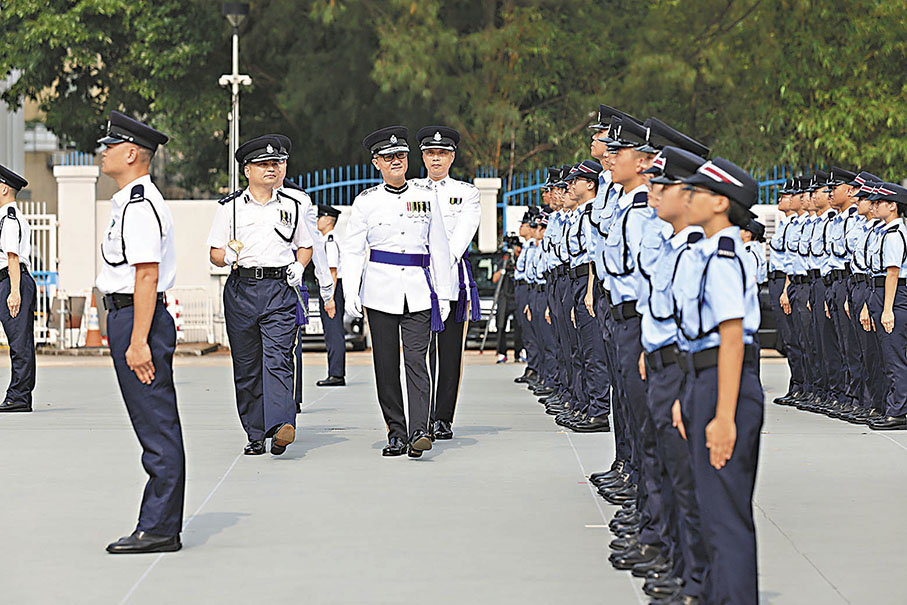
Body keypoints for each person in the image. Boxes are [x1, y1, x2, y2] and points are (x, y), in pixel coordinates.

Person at [673, 157, 764, 605]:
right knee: (709, 509)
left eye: (697, 192)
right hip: (704, 380)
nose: (687, 198)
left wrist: (723, 417)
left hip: (725, 386)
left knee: (725, 514)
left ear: (721, 203)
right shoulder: (708, 252)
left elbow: (732, 340)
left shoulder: (725, 258)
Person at [96, 111, 184, 554]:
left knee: (156, 426)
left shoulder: (139, 205)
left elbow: (146, 276)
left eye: (109, 146)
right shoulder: (127, 202)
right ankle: (160, 521)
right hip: (128, 317)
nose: (103, 152)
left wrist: (137, 341)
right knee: (152, 423)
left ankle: (160, 527)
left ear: (131, 153)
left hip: (139, 320)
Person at [342, 126, 451, 457]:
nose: (396, 162)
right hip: (380, 290)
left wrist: (444, 294)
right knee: (386, 365)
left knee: (417, 360)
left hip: (418, 289)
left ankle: (420, 428)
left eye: (401, 156)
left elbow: (440, 248)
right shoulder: (366, 202)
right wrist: (351, 292)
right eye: (388, 157)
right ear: (376, 163)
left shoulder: (425, 196)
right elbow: (351, 249)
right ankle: (396, 431)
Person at [208, 135, 317, 457]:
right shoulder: (229, 209)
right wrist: (226, 256)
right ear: (248, 170)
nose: (272, 169)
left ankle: (281, 425)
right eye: (264, 164)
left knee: (279, 358)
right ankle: (255, 432)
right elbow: (214, 251)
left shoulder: (293, 206)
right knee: (247, 365)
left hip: (279, 289)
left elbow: (305, 244)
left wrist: (300, 266)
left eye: (276, 163)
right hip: (242, 289)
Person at [413, 125, 481, 440]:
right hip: (415, 280)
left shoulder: (466, 193)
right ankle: (421, 414)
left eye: (442, 153)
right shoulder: (411, 189)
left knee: (450, 351)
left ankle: (442, 417)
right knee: (418, 351)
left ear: (451, 157)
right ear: (423, 156)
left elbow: (461, 238)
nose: (436, 159)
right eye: (430, 153)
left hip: (451, 279)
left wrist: (440, 263)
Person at [865, 183, 907, 430]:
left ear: (892, 206)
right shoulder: (885, 232)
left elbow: (892, 274)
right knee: (885, 356)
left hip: (893, 293)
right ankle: (892, 406)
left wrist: (887, 309)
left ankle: (900, 411)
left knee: (894, 357)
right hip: (882, 291)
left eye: (880, 202)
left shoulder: (893, 234)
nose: (875, 205)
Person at [0, 164, 36, 413]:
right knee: (18, 341)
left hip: (12, 281)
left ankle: (19, 397)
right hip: (7, 280)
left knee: (19, 343)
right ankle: (19, 395)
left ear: (3, 190)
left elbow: (13, 257)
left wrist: (15, 292)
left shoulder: (10, 219)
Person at [315, 203, 346, 386]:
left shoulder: (330, 241)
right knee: (331, 331)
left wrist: (330, 298)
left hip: (332, 288)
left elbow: (332, 271)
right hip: (331, 288)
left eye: (320, 217)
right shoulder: (328, 239)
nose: (317, 221)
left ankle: (336, 374)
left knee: (333, 332)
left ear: (327, 220)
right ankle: (335, 371)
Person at [492, 235, 523, 363]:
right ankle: (502, 352)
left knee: (519, 325)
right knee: (501, 325)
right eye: (516, 247)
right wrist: (503, 269)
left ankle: (519, 352)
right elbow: (495, 279)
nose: (518, 250)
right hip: (504, 296)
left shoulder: (522, 258)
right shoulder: (504, 258)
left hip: (516, 295)